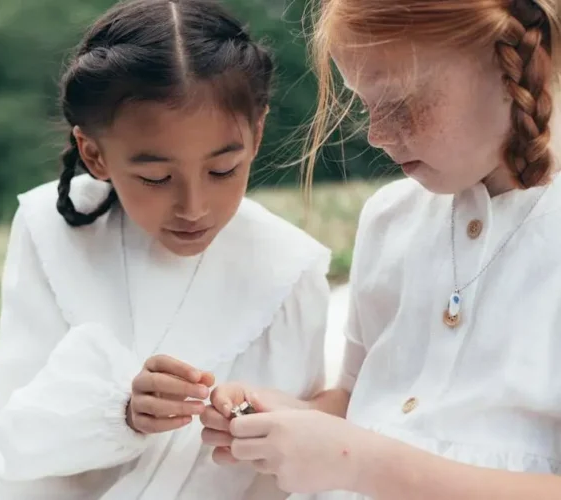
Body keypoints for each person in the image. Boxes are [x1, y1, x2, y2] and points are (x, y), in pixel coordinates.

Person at [0, 0, 332, 498]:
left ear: (255, 135)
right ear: (94, 154)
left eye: (222, 170)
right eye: (155, 177)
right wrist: (122, 413)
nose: (194, 206)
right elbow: (8, 439)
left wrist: (246, 420)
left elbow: (290, 462)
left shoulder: (287, 269)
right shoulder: (51, 230)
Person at [201, 0, 561, 498]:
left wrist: (361, 465)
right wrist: (287, 418)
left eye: (401, 101)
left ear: (517, 59)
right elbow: (359, 401)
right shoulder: (390, 219)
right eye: (365, 104)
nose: (378, 134)